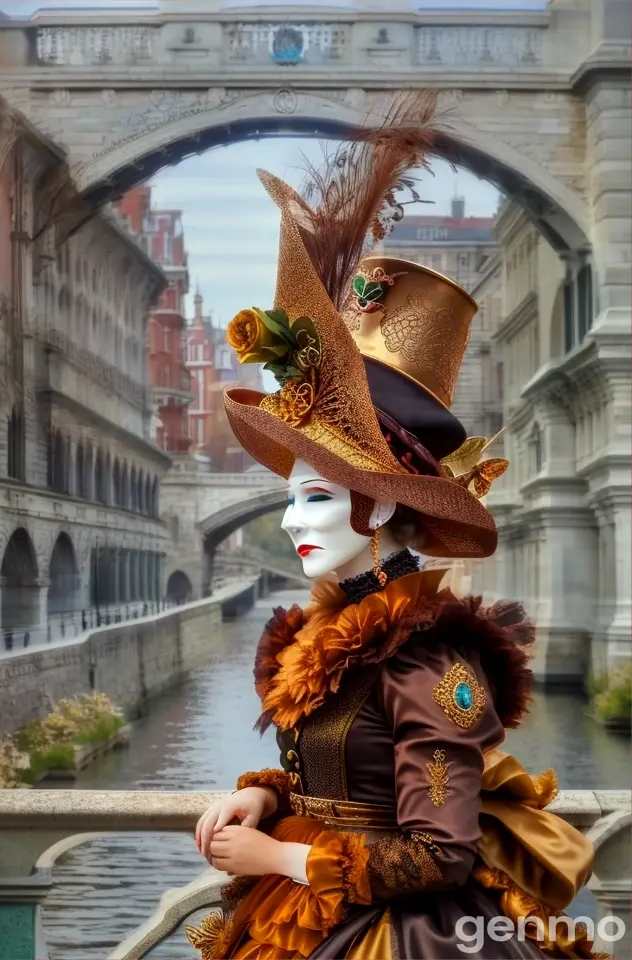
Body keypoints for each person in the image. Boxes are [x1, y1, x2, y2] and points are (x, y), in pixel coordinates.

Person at [187, 98, 598, 960]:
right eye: (292, 496)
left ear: (377, 508)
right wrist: (265, 798)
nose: (292, 520)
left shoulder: (427, 660)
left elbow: (440, 853)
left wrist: (277, 856)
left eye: (315, 499)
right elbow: (343, 777)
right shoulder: (332, 630)